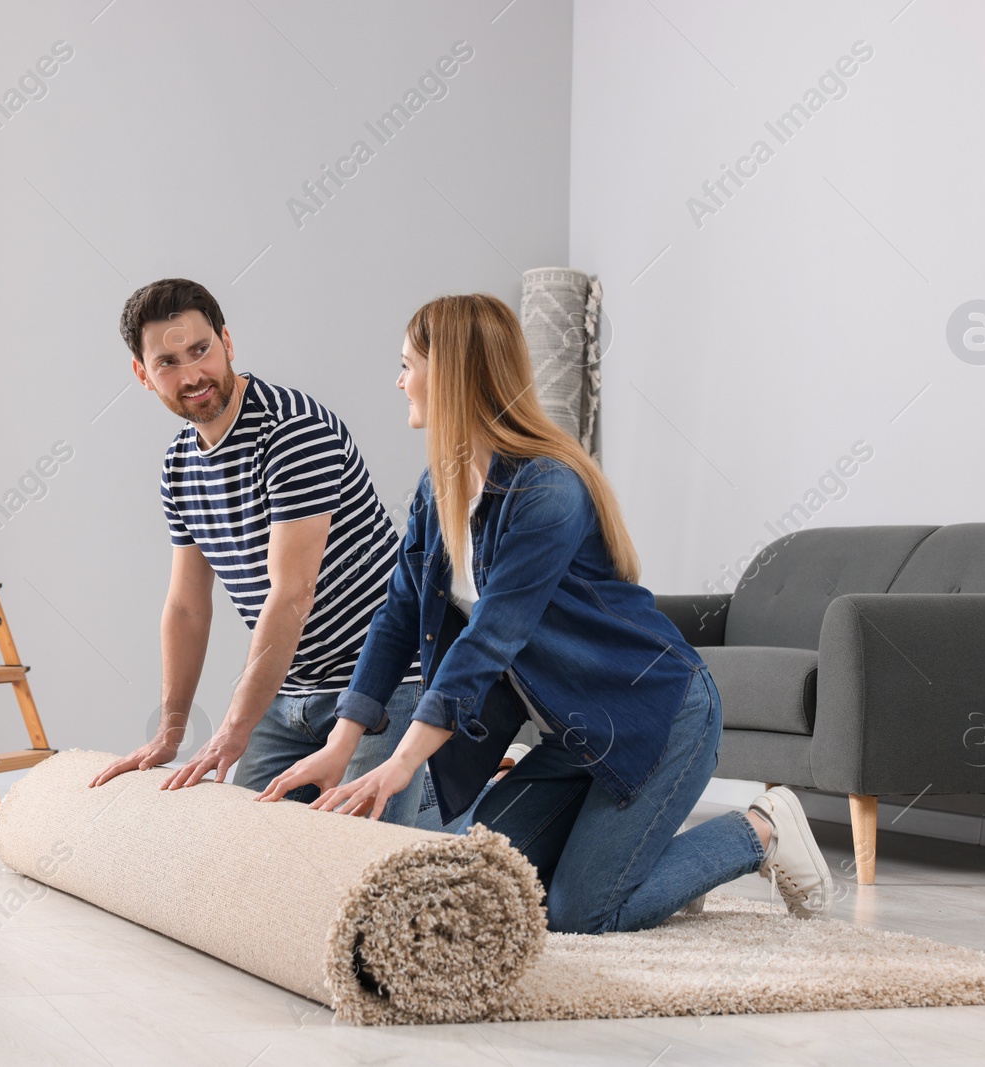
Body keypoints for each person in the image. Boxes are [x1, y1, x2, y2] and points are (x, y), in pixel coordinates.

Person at [257, 293, 834, 929]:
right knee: (488, 887)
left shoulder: (548, 489)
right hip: (576, 735)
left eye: (407, 365)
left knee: (582, 914)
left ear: (450, 375)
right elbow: (396, 618)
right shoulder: (439, 487)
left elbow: (489, 639)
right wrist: (341, 745)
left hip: (657, 718)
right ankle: (650, 868)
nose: (399, 381)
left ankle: (762, 829)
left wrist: (401, 763)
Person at [87, 278, 427, 825]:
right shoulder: (179, 465)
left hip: (385, 683)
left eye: (201, 350)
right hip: (289, 693)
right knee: (240, 846)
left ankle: (456, 777)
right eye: (169, 362)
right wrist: (171, 731)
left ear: (227, 341)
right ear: (142, 374)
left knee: (354, 857)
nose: (193, 375)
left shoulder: (292, 432)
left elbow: (291, 595)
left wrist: (231, 731)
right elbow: (186, 607)